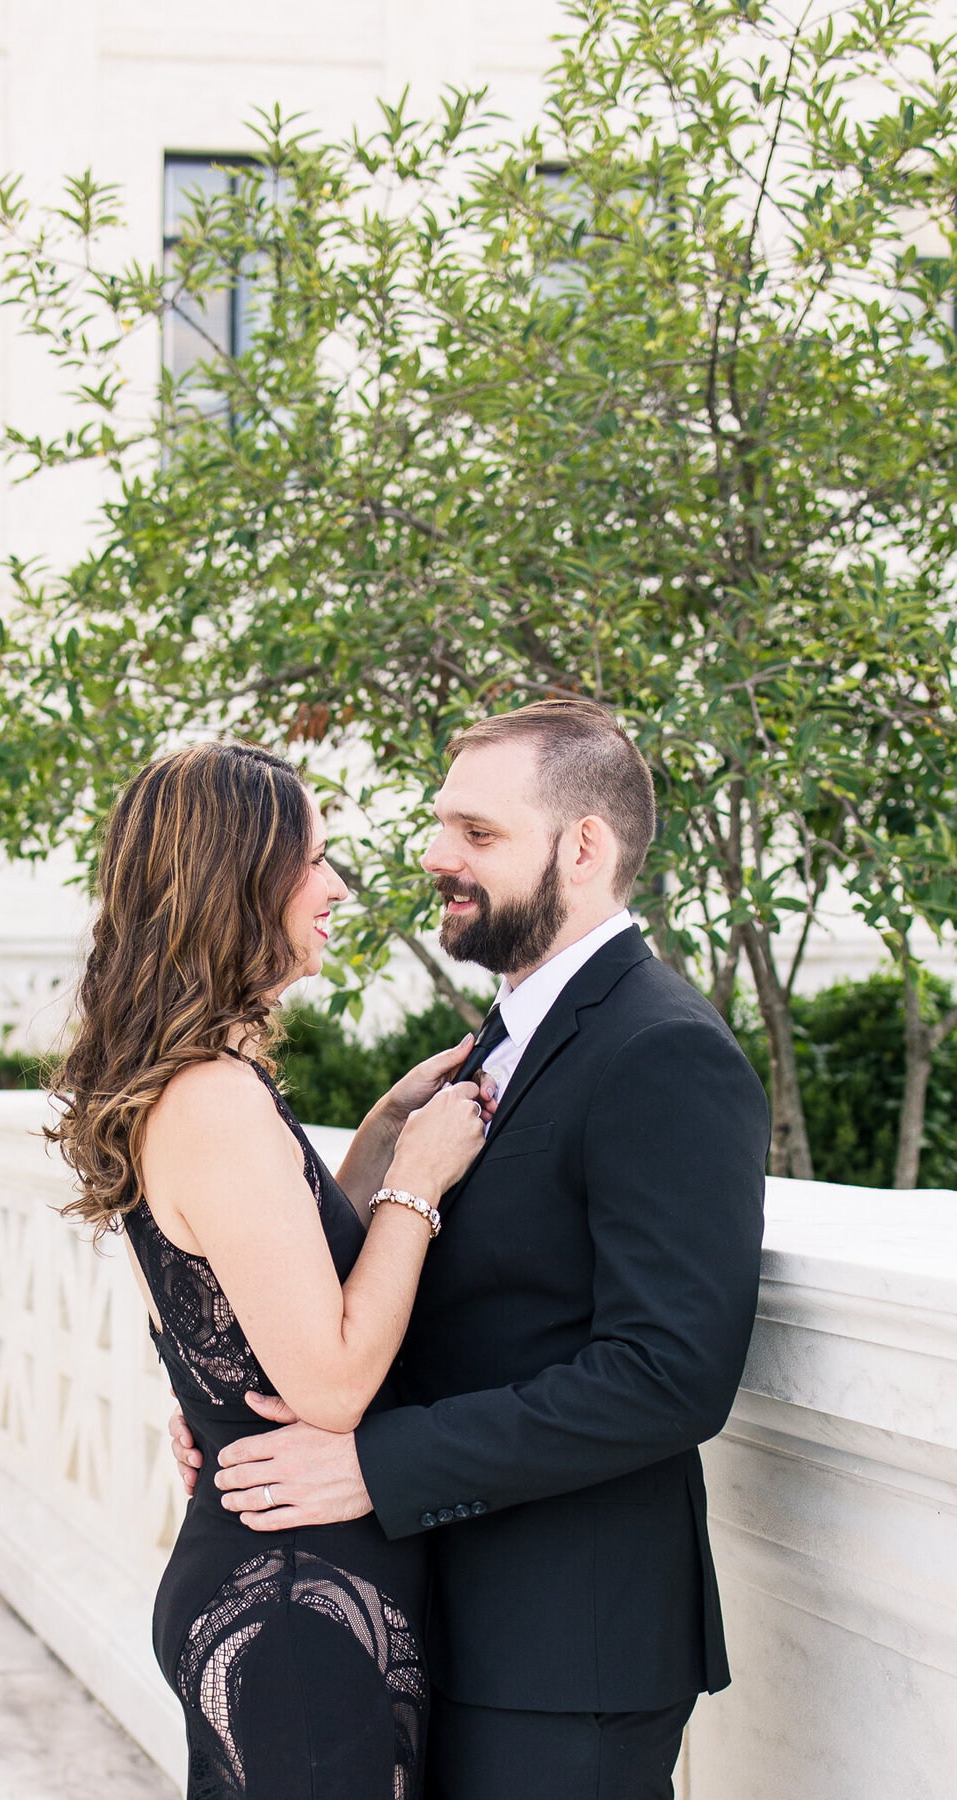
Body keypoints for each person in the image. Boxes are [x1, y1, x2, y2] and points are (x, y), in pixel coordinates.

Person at [172, 700, 771, 1800]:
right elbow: (455, 1299)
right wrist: (248, 1392)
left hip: (566, 1654)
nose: (436, 858)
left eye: (478, 835)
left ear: (583, 848)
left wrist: (368, 1465)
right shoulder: (501, 1039)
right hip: (437, 1612)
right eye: (444, 826)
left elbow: (670, 1376)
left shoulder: (667, 1054)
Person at [48, 741, 488, 1800]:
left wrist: (384, 1129)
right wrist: (416, 1188)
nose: (338, 887)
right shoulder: (212, 1100)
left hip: (276, 1580)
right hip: (292, 1611)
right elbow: (329, 1382)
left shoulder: (202, 1083)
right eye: (313, 862)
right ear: (234, 880)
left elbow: (268, 1265)